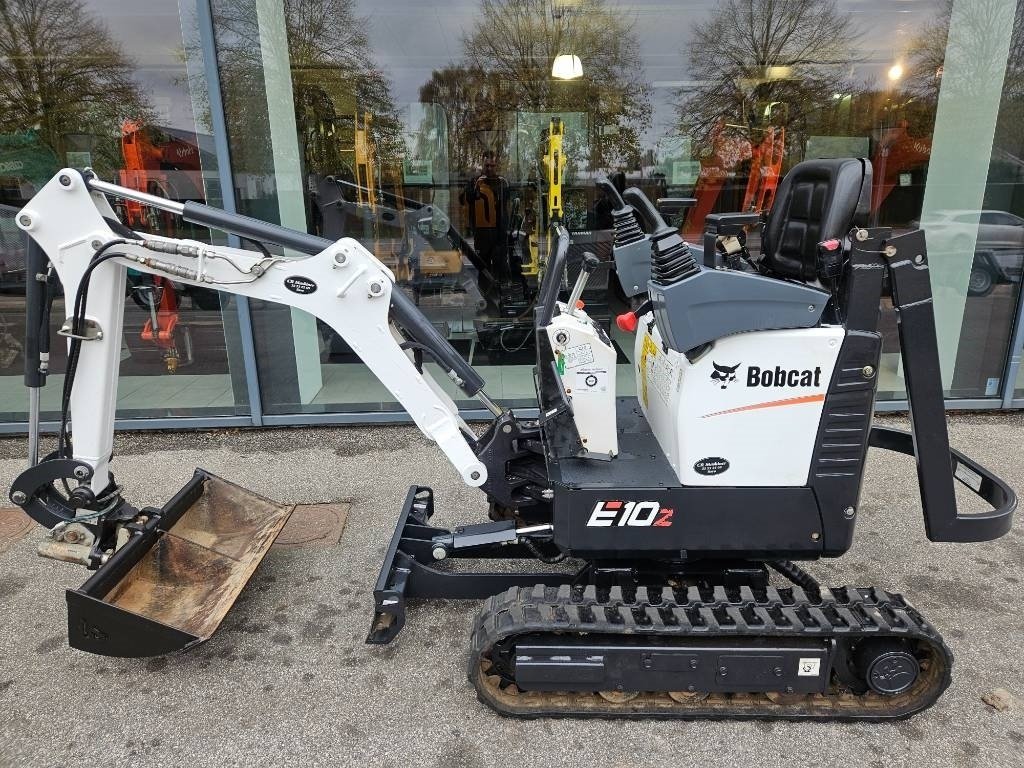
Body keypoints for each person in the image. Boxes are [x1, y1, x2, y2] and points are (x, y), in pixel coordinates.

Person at [464, 150, 512, 282]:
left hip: (500, 232)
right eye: (487, 166)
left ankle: (501, 295)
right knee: (483, 268)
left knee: (501, 265)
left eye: (492, 165)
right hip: (482, 232)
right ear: (482, 165)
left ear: (497, 166)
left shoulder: (503, 182)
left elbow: (508, 203)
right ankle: (485, 297)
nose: (489, 169)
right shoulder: (475, 182)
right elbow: (466, 200)